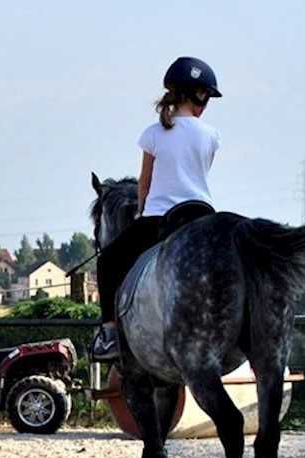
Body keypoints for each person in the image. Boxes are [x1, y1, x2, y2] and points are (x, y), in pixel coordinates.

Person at [91, 56, 223, 361]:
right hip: (203, 216)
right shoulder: (212, 135)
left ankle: (110, 334)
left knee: (108, 262)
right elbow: (200, 174)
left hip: (161, 219)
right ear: (200, 96)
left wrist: (141, 211)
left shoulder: (153, 132)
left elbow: (145, 181)